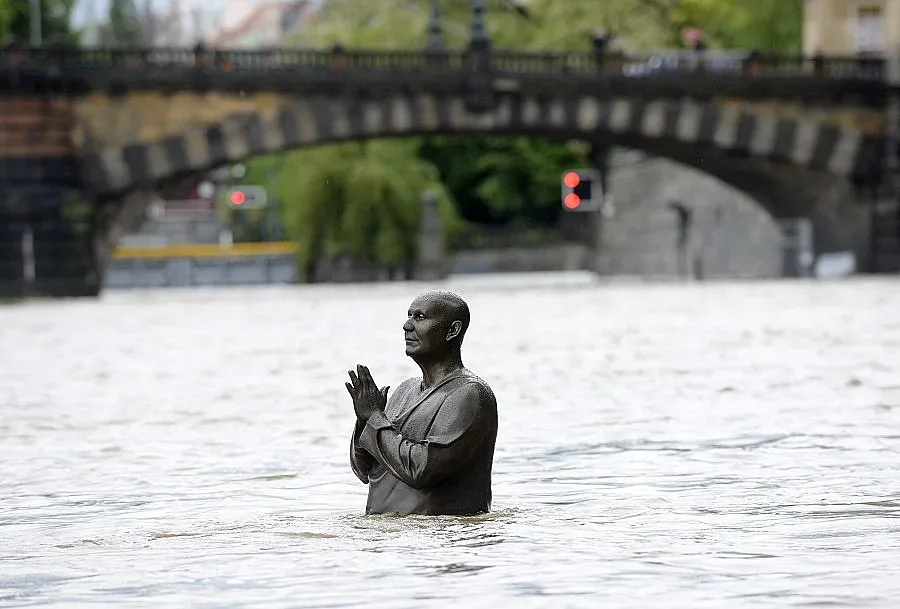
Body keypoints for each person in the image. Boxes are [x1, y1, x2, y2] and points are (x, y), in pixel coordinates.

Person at [346, 290, 498, 516]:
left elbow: (421, 470)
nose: (407, 326)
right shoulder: (404, 391)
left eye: (420, 317)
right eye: (409, 316)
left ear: (452, 330)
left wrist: (375, 419)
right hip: (388, 539)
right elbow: (364, 471)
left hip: (438, 541)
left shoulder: (470, 395)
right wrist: (364, 420)